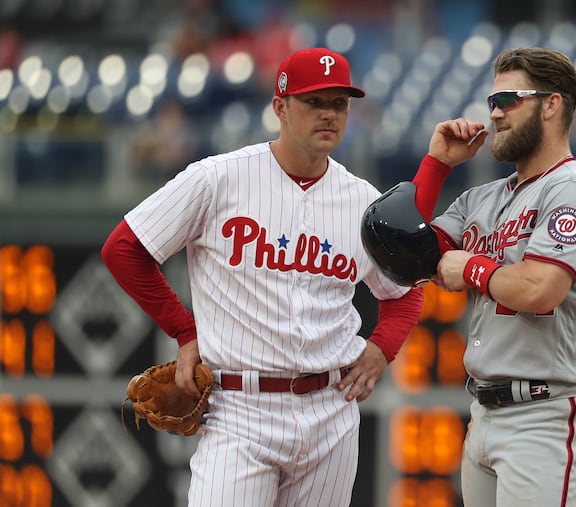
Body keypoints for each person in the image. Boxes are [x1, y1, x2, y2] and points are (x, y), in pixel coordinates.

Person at [101, 47, 423, 507]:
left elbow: (406, 293)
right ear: (280, 107)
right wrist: (184, 330)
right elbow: (124, 249)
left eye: (340, 103)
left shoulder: (362, 201)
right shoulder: (217, 179)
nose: (329, 114)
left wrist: (380, 351)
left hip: (331, 411)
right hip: (239, 409)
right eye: (315, 102)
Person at [410, 47, 576, 506]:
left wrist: (472, 267)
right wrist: (437, 165)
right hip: (483, 412)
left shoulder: (574, 190)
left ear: (552, 104)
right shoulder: (482, 198)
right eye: (492, 101)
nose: (495, 113)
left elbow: (540, 289)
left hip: (543, 415)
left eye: (509, 99)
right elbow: (405, 255)